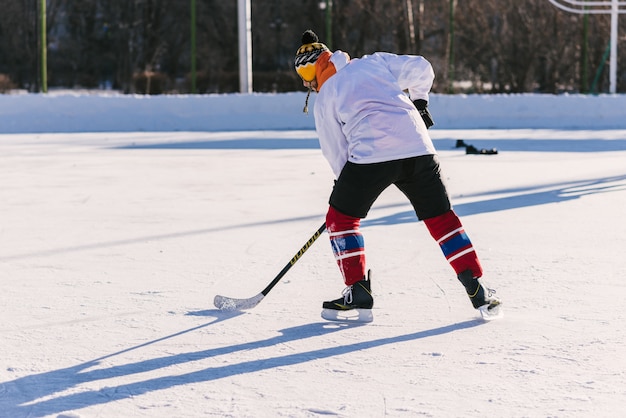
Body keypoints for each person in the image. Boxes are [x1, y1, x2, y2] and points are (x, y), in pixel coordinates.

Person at [294, 30, 501, 322]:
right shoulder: (373, 63)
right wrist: (420, 102)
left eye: (305, 75)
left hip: (370, 156)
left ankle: (357, 291)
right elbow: (421, 69)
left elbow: (335, 149)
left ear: (312, 69)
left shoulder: (326, 95)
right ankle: (477, 287)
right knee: (441, 218)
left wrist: (344, 188)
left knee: (340, 219)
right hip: (419, 147)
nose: (307, 83)